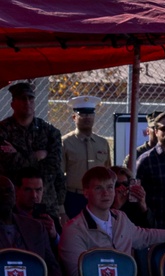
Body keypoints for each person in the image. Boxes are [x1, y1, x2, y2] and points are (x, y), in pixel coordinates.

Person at [58, 166, 165, 276]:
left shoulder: (121, 219)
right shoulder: (73, 230)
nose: (105, 193)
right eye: (98, 188)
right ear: (86, 192)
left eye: (109, 187)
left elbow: (147, 236)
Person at [0, 82, 66, 222]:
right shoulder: (3, 131)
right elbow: (7, 166)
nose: (27, 102)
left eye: (31, 99)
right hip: (11, 207)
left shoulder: (50, 132)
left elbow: (52, 168)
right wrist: (37, 156)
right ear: (13, 104)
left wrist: (18, 156)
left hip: (45, 204)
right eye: (22, 99)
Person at [62, 95, 111, 219]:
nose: (87, 118)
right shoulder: (65, 142)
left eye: (90, 114)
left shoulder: (102, 143)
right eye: (82, 115)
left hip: (99, 198)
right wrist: (60, 208)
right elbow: (59, 176)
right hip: (74, 198)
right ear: (74, 117)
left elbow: (108, 173)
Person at [13, 167, 59, 247]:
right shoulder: (7, 218)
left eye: (38, 190)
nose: (34, 196)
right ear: (17, 190)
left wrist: (54, 236)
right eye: (28, 190)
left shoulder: (51, 221)